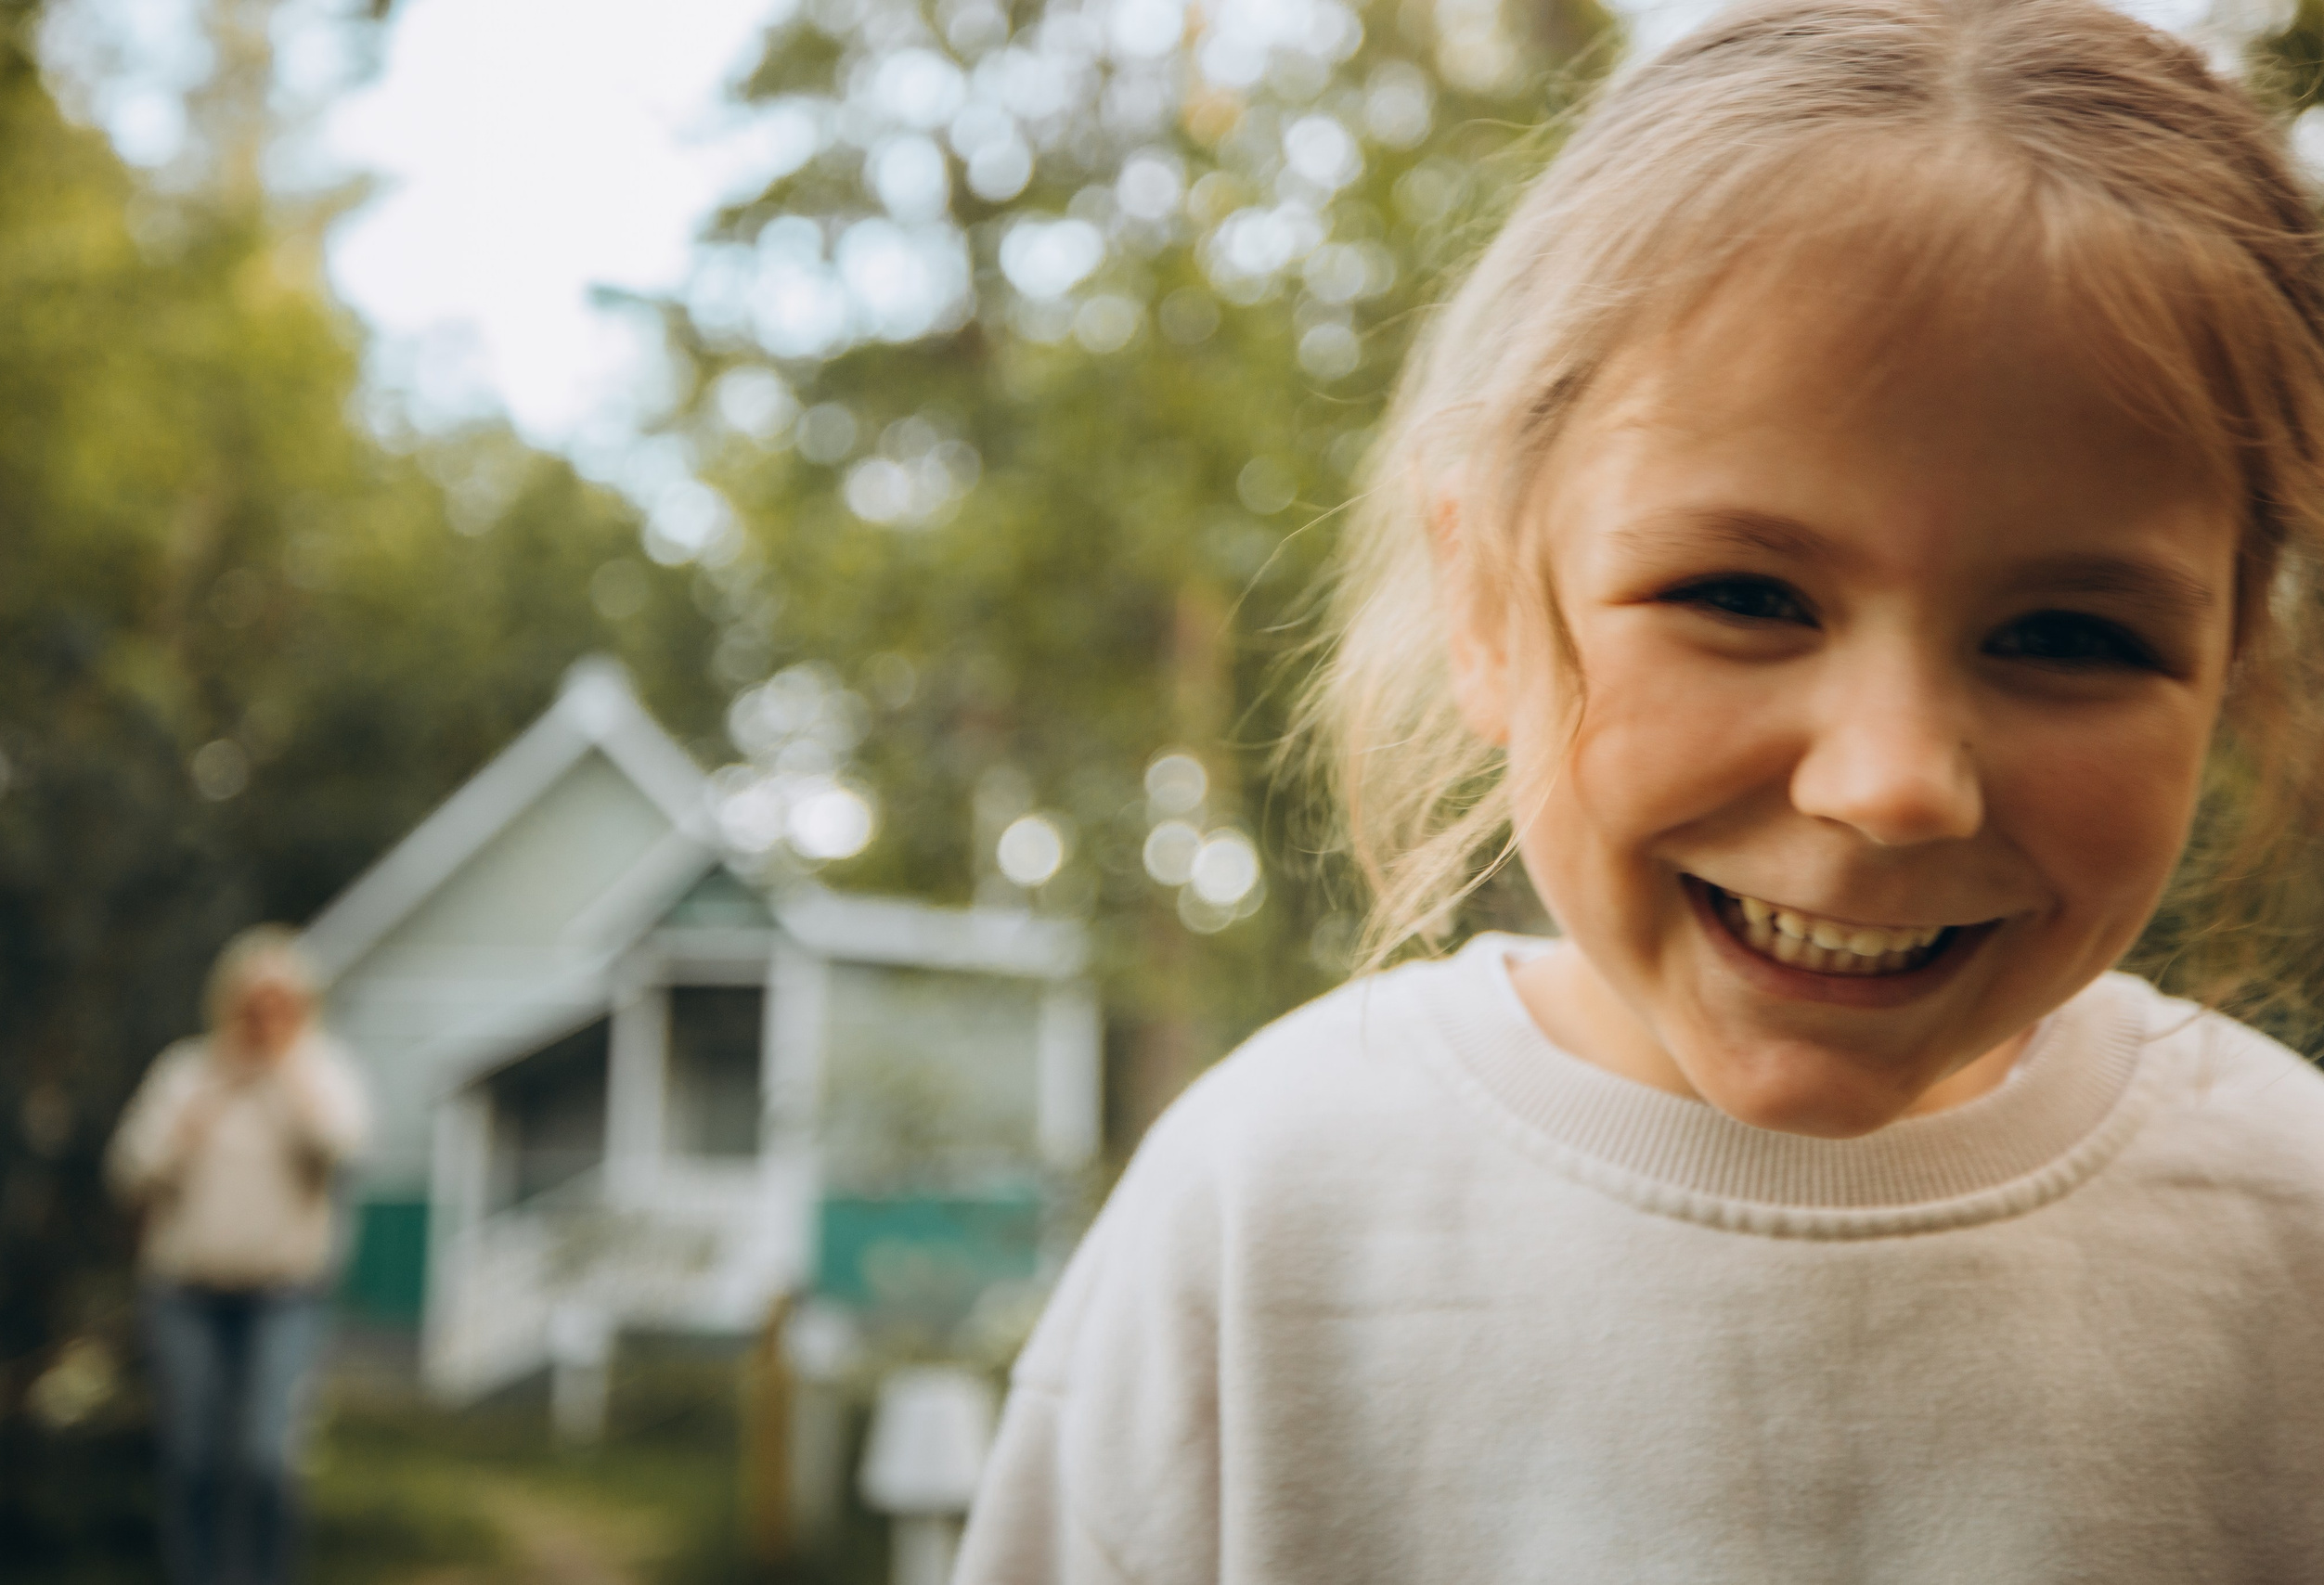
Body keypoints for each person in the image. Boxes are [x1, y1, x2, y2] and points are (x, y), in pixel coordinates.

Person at [956, 1, 2324, 1577]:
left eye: (2070, 636)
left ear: (2237, 664)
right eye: (1744, 596)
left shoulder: (2284, 1224)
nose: (1892, 786)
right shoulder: (1270, 1207)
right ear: (1486, 603)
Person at [108, 925, 368, 1585]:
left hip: (284, 1298)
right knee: (193, 1460)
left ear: (302, 1007)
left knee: (264, 1459)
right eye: (252, 1003)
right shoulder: (185, 1072)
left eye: (280, 1004)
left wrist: (286, 1073)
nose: (263, 1017)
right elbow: (129, 1172)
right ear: (225, 1002)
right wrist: (194, 1118)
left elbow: (343, 1148)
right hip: (184, 1295)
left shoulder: (322, 1071)